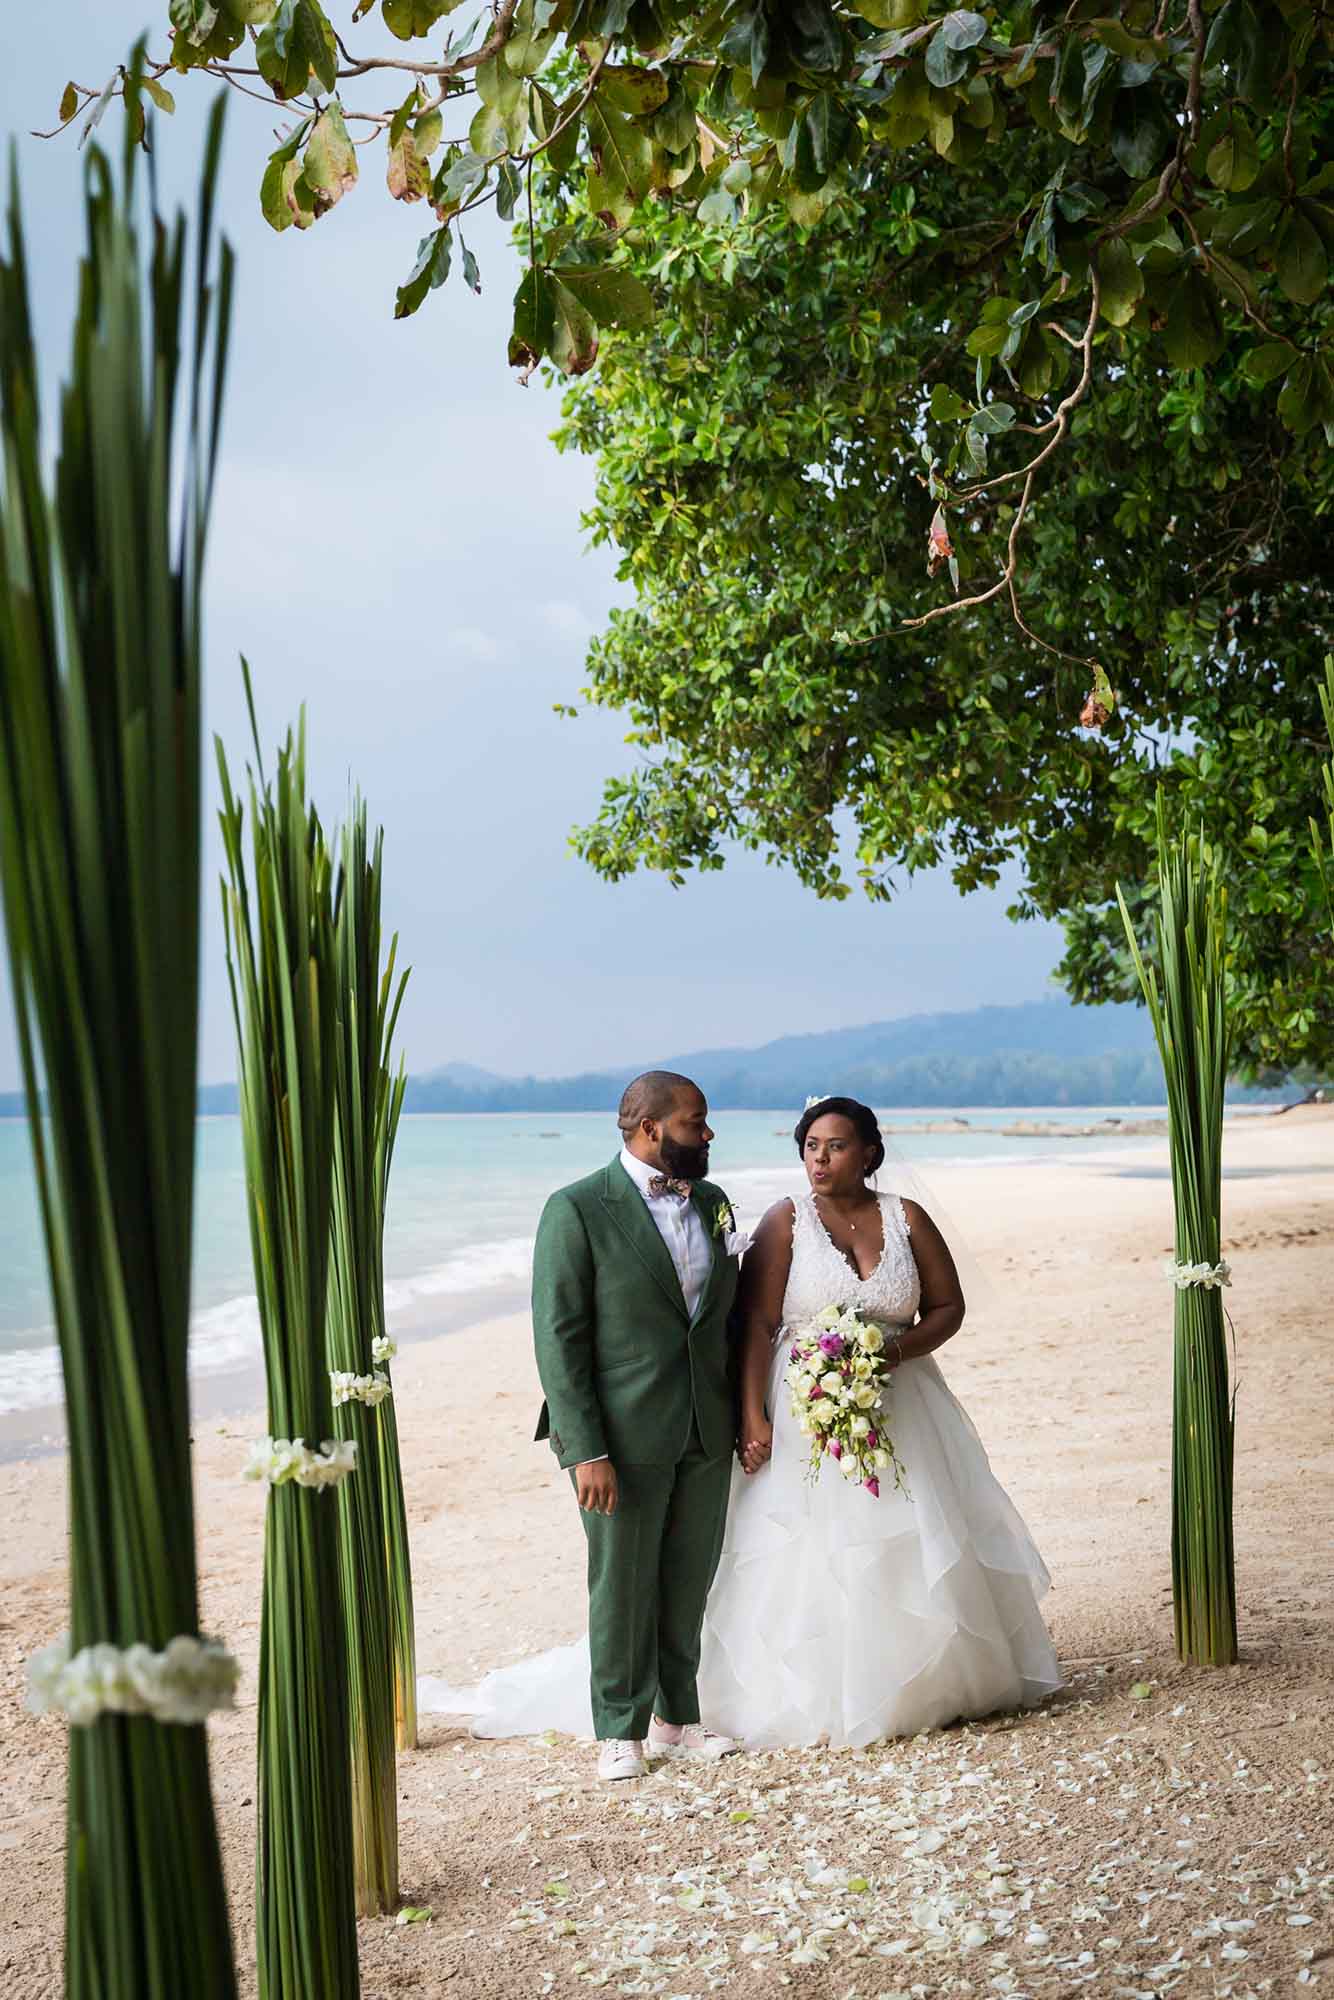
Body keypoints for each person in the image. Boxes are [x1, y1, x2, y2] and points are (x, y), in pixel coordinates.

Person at [694, 1095, 1061, 1746]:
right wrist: (753, 1415)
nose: (820, 1158)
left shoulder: (907, 1217)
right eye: (811, 1146)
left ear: (868, 1152)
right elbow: (755, 1321)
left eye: (835, 1146)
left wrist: (889, 1353)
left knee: (914, 1529)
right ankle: (822, 1692)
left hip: (904, 1399)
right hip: (802, 1397)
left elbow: (947, 1307)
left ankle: (933, 1683)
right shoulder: (786, 1222)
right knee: (815, 1543)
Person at [529, 1071, 746, 1782]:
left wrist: (746, 1410)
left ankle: (677, 1720)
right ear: (650, 1129)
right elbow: (558, 1337)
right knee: (621, 1583)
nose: (707, 1133)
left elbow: (727, 1318)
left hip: (705, 1426)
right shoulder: (576, 1209)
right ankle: (617, 1729)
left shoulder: (712, 1202)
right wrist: (584, 1447)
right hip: (618, 1438)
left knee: (688, 1579)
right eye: (695, 1121)